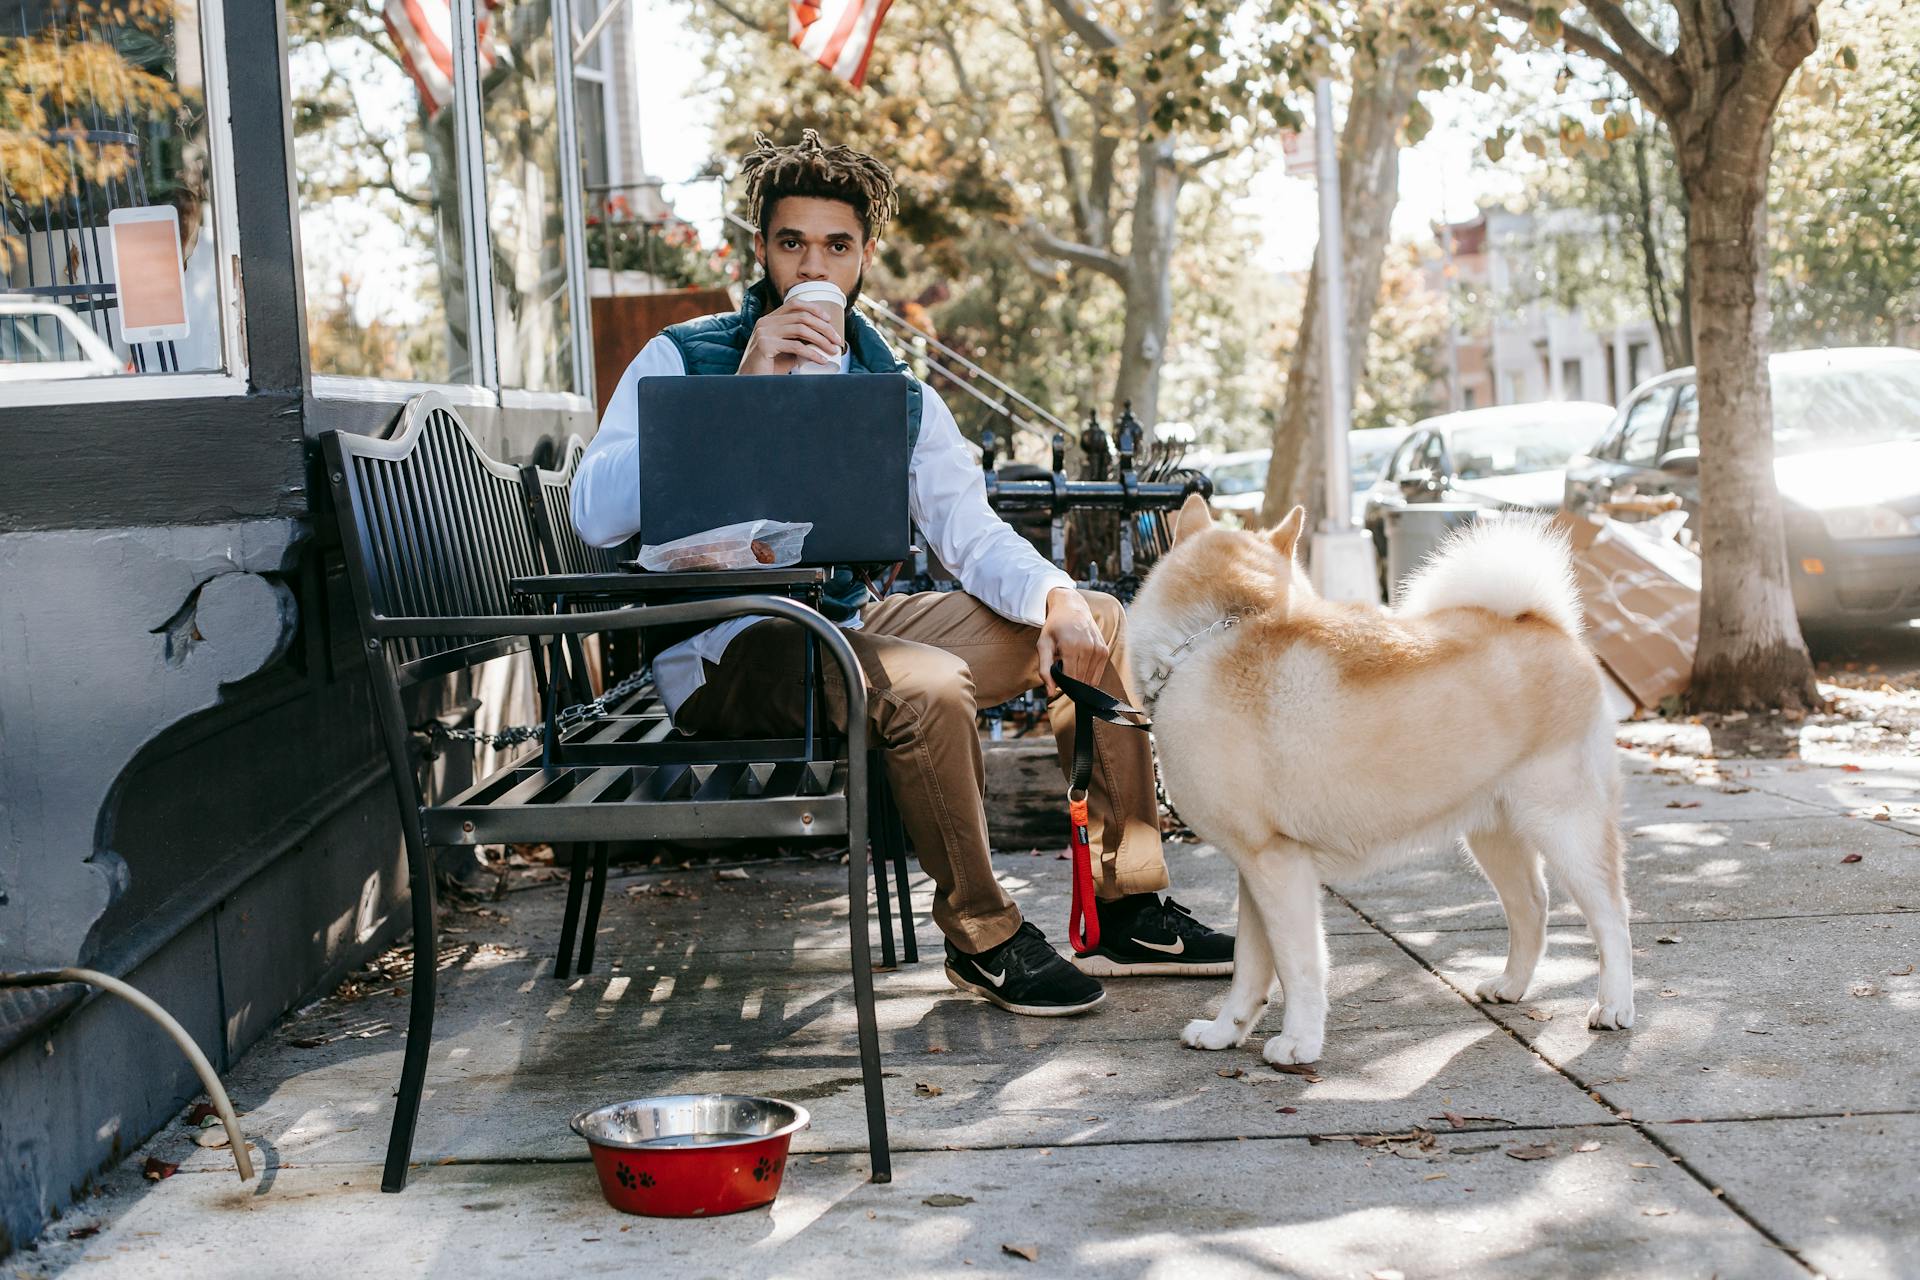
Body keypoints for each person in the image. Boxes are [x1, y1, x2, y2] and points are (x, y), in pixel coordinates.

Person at [572, 130, 1232, 1017]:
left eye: (835, 245)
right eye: (792, 241)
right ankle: (983, 934)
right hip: (722, 648)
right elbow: (592, 514)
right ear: (760, 250)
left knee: (1096, 620)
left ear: (862, 259)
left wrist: (1055, 599)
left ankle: (1128, 905)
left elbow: (970, 530)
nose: (813, 262)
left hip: (840, 629)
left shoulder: (895, 389)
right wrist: (743, 389)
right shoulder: (684, 357)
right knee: (927, 685)